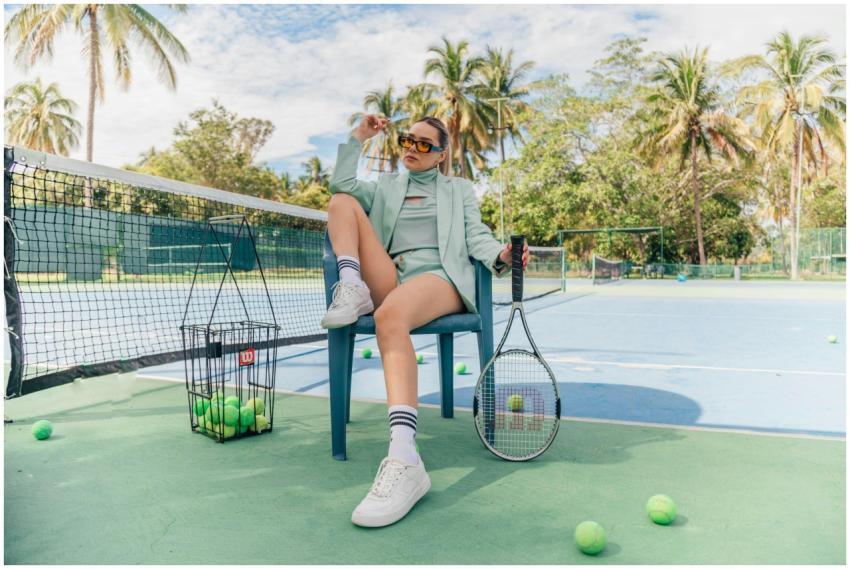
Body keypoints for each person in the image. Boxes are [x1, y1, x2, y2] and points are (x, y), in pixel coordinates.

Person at [323, 114, 529, 527]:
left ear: (440, 154)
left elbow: (477, 237)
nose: (411, 149)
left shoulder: (458, 190)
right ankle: (351, 284)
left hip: (441, 279)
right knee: (340, 201)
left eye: (422, 144)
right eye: (407, 140)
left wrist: (501, 257)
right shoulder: (386, 185)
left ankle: (404, 455)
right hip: (391, 277)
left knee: (389, 318)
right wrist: (359, 137)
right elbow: (341, 185)